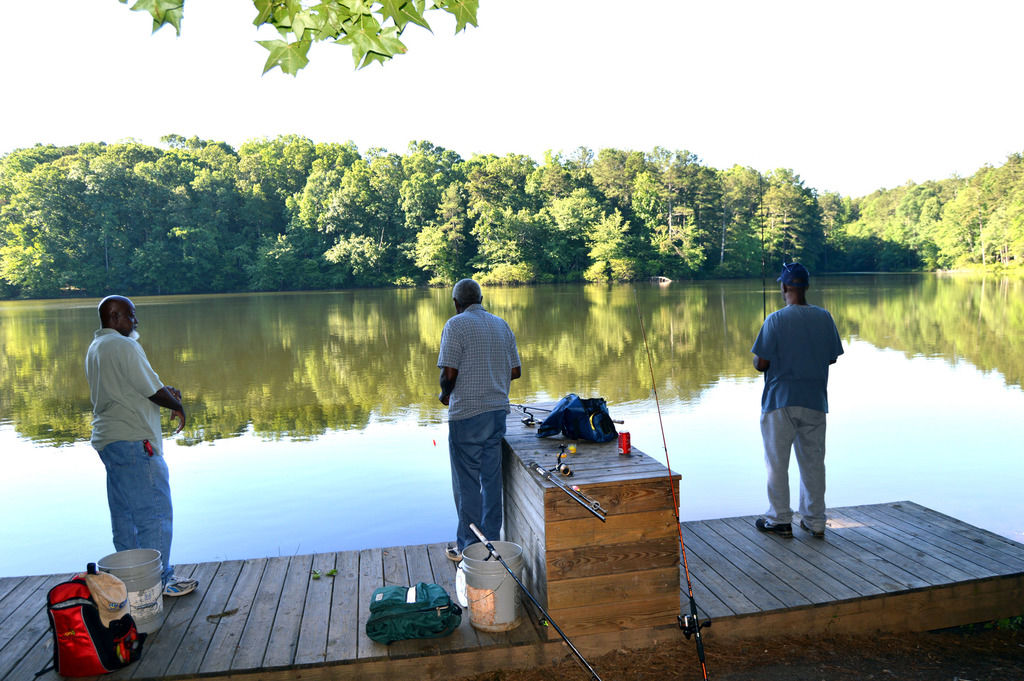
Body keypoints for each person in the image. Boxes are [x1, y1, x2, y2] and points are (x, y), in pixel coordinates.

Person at [85, 295, 198, 597]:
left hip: (109, 441)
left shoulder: (97, 347)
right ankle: (160, 581)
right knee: (155, 514)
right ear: (115, 317)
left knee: (125, 518)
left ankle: (128, 583)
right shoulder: (124, 346)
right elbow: (152, 390)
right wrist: (177, 405)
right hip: (136, 442)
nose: (136, 322)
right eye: (131, 315)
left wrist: (165, 393)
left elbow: (131, 388)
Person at [751, 263, 843, 538]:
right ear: (806, 287)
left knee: (777, 462)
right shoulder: (824, 317)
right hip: (815, 400)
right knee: (813, 462)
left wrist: (760, 356)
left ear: (784, 287)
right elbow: (831, 356)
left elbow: (761, 363)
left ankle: (779, 519)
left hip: (780, 402)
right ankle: (815, 520)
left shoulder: (776, 320)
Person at [437, 279, 521, 560]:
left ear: (456, 303)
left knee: (467, 484)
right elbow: (515, 370)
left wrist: (444, 394)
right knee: (491, 479)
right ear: (481, 299)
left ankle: (468, 547)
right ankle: (492, 543)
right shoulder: (501, 324)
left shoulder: (455, 325)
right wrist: (491, 378)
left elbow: (449, 373)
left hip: (467, 416)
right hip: (497, 413)